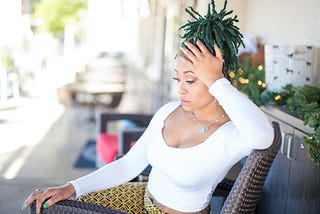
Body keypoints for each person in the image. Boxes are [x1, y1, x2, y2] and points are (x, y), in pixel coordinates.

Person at [21, 39, 274, 214]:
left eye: (190, 80)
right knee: (53, 206)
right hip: (140, 199)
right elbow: (129, 164)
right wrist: (71, 186)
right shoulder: (169, 111)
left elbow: (264, 137)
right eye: (178, 78)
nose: (180, 88)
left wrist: (217, 80)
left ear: (219, 81)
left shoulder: (232, 134)